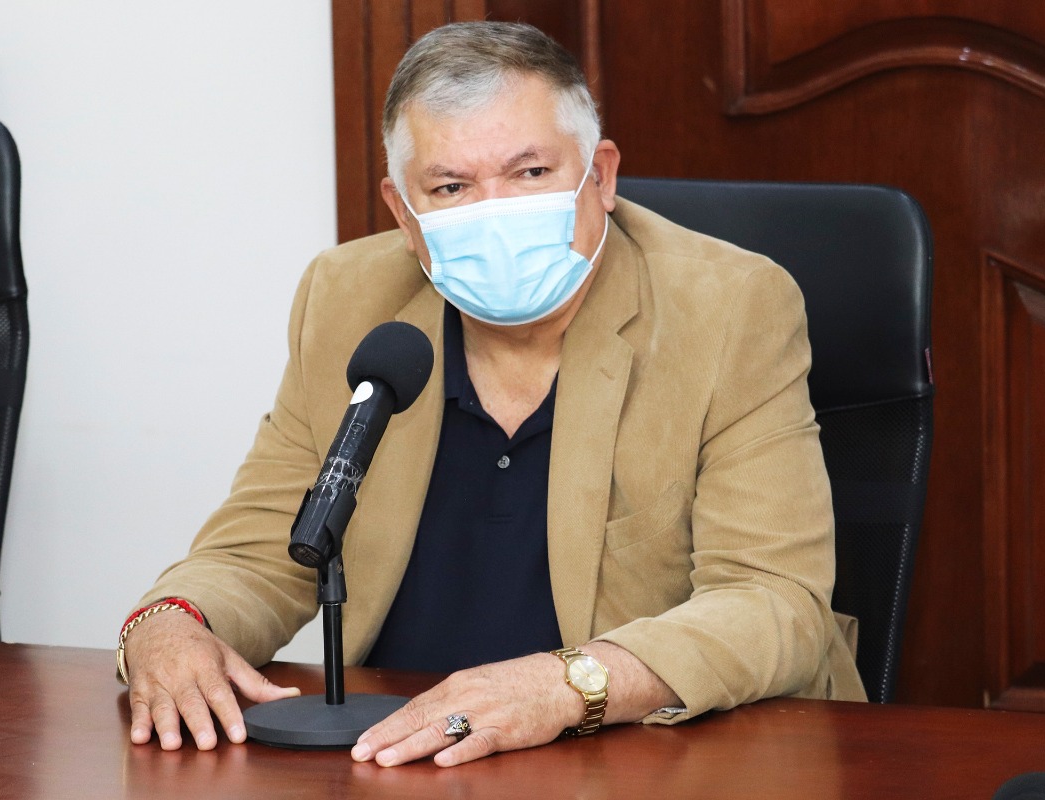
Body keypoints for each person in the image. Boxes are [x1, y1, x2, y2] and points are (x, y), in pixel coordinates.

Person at [119, 21, 865, 768]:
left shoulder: (730, 307)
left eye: (531, 173)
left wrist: (569, 685)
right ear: (403, 213)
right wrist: (169, 622)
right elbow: (261, 549)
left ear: (601, 176)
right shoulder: (346, 299)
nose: (496, 211)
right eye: (451, 187)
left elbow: (774, 601)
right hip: (403, 758)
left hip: (656, 756)